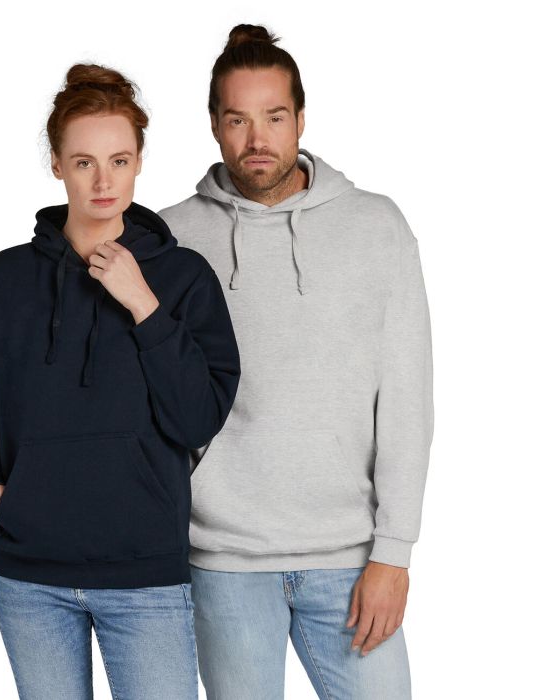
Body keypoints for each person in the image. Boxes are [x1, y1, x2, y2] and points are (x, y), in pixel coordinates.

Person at [158, 24, 434, 700]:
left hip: (351, 561)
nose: (257, 138)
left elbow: (406, 398)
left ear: (301, 119)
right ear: (214, 126)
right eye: (238, 120)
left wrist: (394, 554)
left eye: (274, 117)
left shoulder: (376, 227)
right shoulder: (170, 237)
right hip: (221, 563)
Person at [0, 63, 240, 700]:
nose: (103, 181)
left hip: (145, 577)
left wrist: (143, 304)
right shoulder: (6, 280)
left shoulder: (182, 278)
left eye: (119, 160)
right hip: (29, 578)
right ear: (57, 165)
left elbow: (198, 417)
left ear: (139, 163)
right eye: (84, 162)